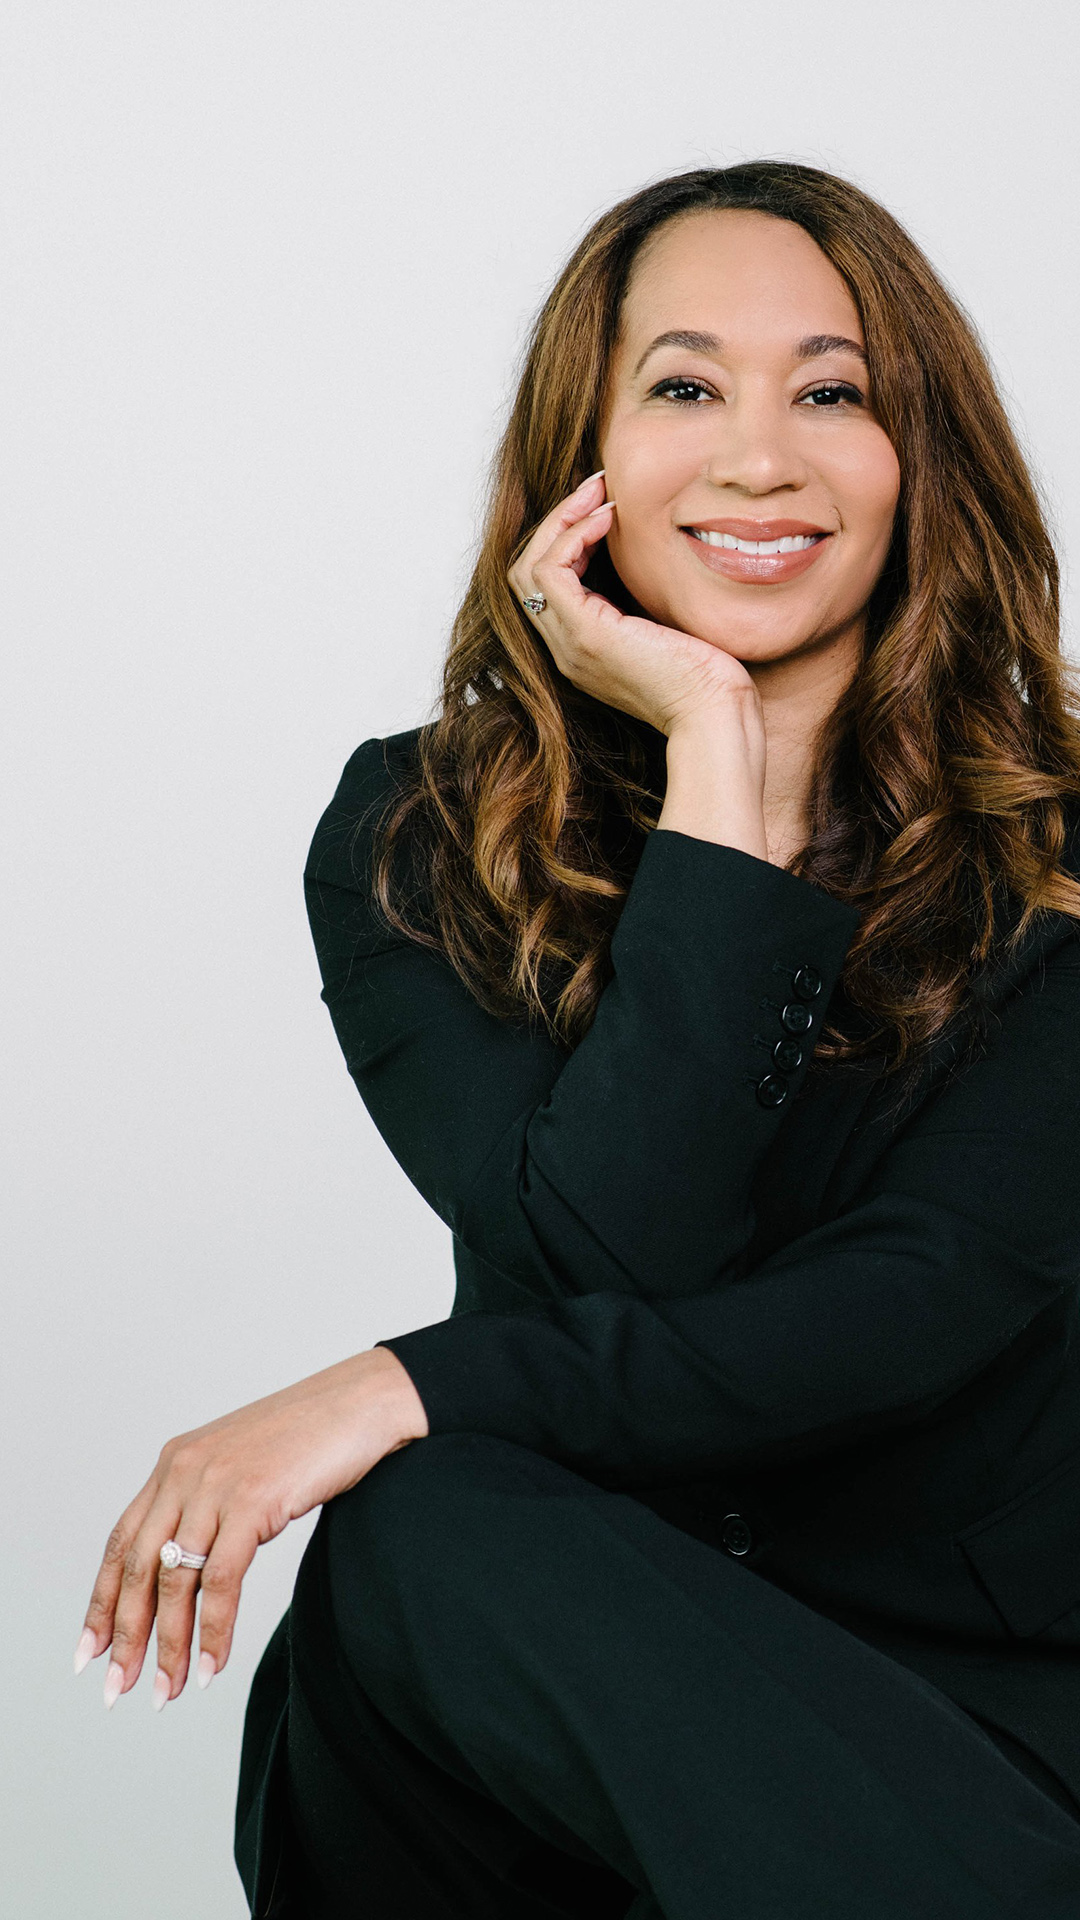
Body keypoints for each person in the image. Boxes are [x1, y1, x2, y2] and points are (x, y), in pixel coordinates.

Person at [75, 161, 1080, 1919]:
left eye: (832, 393)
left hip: (951, 1753)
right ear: (586, 451)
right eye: (685, 387)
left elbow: (908, 1307)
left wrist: (397, 1385)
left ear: (926, 460)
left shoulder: (1058, 859)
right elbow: (620, 1257)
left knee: (419, 1466)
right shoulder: (419, 832)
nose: (759, 456)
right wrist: (719, 770)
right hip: (529, 1719)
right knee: (426, 1530)